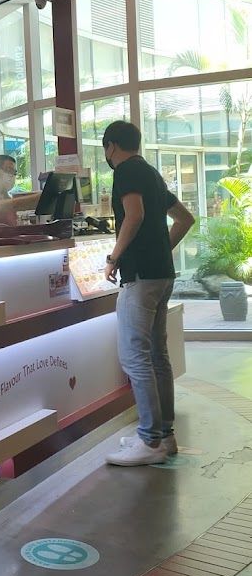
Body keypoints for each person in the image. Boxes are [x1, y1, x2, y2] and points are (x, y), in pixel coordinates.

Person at [101, 121, 195, 467]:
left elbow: (134, 215)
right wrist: (160, 250)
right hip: (161, 274)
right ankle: (164, 436)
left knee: (134, 357)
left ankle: (150, 439)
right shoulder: (152, 174)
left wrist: (114, 258)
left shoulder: (126, 171)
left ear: (111, 146)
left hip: (140, 277)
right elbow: (185, 219)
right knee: (157, 355)